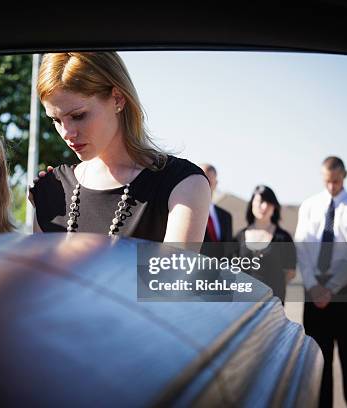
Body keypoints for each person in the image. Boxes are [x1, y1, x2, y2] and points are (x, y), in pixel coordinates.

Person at [28, 52, 210, 243]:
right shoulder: (51, 190)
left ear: (118, 99)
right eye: (56, 120)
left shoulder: (184, 184)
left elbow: (173, 273)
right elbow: (38, 272)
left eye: (78, 116)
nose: (66, 133)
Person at [294, 156, 347, 408]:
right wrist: (314, 286)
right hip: (313, 294)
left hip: (345, 296)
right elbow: (301, 249)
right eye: (327, 181)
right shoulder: (309, 206)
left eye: (336, 181)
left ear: (344, 175)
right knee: (318, 364)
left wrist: (331, 289)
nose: (331, 187)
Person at [233, 185, 296, 303]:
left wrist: (274, 288)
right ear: (252, 204)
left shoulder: (284, 238)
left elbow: (290, 272)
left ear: (275, 207)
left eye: (269, 202)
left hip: (272, 303)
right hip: (243, 303)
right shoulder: (239, 237)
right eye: (261, 201)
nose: (265, 206)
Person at [199, 163, 233, 257]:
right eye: (202, 179)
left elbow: (228, 251)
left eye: (209, 180)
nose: (205, 184)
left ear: (216, 183)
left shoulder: (226, 217)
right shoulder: (185, 210)